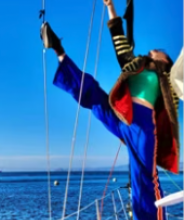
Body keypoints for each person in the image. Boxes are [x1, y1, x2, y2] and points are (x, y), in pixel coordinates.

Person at [39, 0, 180, 219]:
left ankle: (59, 52)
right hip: (129, 120)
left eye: (159, 52)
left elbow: (122, 48)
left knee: (142, 176)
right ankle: (58, 50)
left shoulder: (164, 78)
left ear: (166, 62)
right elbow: (121, 47)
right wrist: (110, 7)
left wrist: (111, 9)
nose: (154, 50)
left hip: (140, 125)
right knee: (93, 96)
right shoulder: (139, 65)